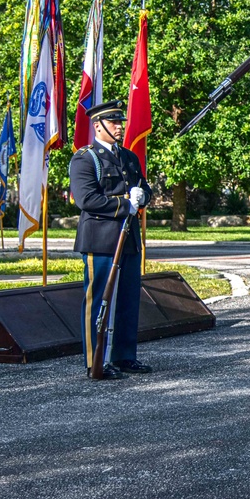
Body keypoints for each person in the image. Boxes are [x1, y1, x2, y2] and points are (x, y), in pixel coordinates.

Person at [70, 99, 153, 380]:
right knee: (99, 301)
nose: (120, 127)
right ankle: (96, 359)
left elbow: (144, 187)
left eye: (121, 122)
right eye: (114, 122)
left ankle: (124, 356)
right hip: (101, 239)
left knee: (128, 300)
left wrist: (143, 197)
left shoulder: (128, 157)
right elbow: (86, 199)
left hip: (128, 239)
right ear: (98, 126)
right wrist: (124, 204)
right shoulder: (86, 158)